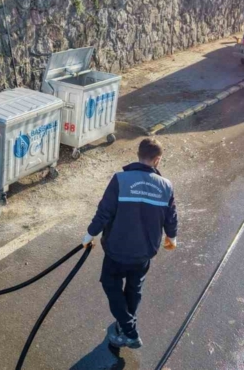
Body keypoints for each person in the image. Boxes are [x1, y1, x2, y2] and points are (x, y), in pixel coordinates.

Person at [83, 138, 178, 349]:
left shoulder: (120, 180)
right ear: (157, 160)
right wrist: (172, 238)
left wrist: (90, 235)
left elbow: (104, 212)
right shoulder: (166, 186)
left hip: (117, 250)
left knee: (111, 284)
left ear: (138, 154)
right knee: (134, 289)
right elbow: (171, 217)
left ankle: (129, 329)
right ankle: (125, 325)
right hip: (144, 252)